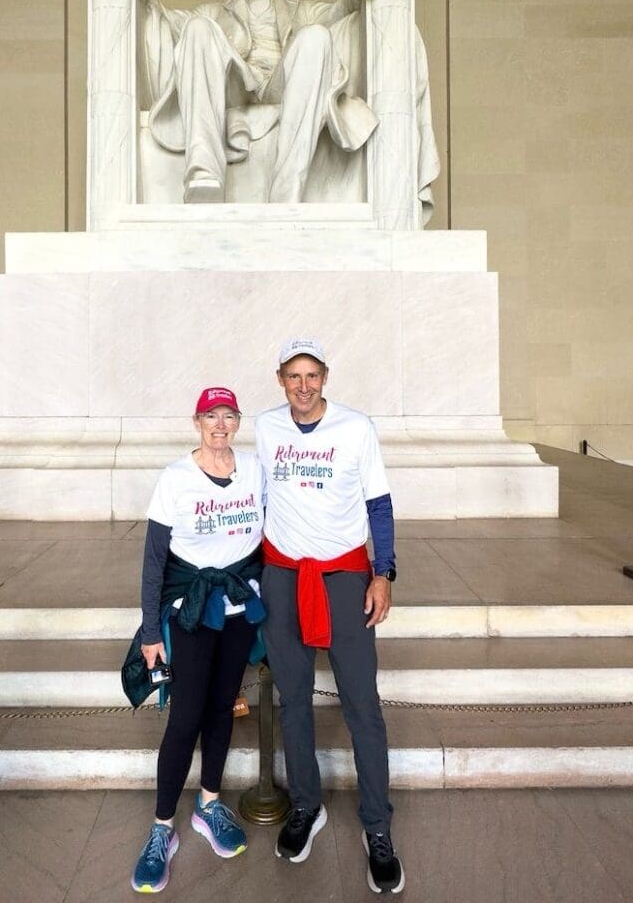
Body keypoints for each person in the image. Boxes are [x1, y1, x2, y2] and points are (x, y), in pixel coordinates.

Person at [89, 0, 435, 205]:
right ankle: (204, 172)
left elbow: (337, 14)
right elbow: (164, 20)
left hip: (281, 84)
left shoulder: (300, 10)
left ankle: (287, 189)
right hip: (235, 84)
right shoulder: (213, 13)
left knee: (316, 37)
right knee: (195, 29)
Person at [254, 337, 404, 895]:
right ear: (280, 380)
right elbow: (258, 500)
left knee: (361, 704)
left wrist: (383, 572)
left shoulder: (356, 428)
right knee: (293, 699)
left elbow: (378, 503)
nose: (303, 385)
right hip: (284, 576)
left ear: (325, 378)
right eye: (293, 376)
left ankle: (377, 826)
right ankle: (305, 807)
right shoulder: (267, 429)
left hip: (343, 579)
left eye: (311, 375)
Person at [128, 386, 266, 894]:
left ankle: (209, 805)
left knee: (221, 707)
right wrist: (149, 631)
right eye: (212, 416)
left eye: (228, 416)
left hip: (237, 610)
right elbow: (153, 563)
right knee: (185, 717)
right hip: (192, 613)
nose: (220, 424)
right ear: (196, 422)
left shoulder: (253, 468)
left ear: (237, 421)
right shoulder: (175, 479)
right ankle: (162, 827)